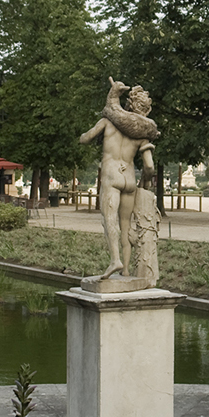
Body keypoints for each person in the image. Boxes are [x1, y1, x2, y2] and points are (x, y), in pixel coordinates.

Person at [79, 77, 159, 279]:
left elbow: (85, 139)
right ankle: (126, 270)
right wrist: (145, 183)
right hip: (130, 179)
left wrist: (89, 135)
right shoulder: (143, 134)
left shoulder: (107, 122)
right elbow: (149, 166)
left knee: (109, 219)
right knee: (126, 224)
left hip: (111, 176)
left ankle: (115, 260)